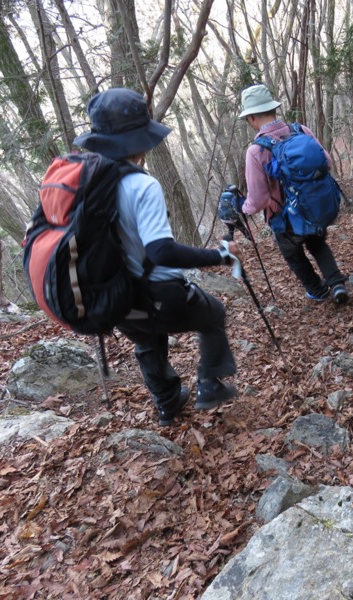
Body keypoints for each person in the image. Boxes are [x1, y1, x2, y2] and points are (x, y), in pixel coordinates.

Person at [73, 88, 239, 426]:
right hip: (159, 294)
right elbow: (161, 251)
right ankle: (209, 385)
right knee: (213, 313)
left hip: (113, 296)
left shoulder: (85, 183)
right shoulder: (141, 186)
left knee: (147, 341)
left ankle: (167, 404)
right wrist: (219, 255)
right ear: (139, 141)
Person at [236, 84, 349, 305]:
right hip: (313, 207)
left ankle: (317, 290)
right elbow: (327, 162)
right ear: (273, 109)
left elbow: (258, 200)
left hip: (285, 220)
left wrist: (244, 207)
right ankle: (337, 284)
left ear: (251, 118)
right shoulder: (301, 131)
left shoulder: (256, 151)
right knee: (317, 244)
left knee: (293, 255)